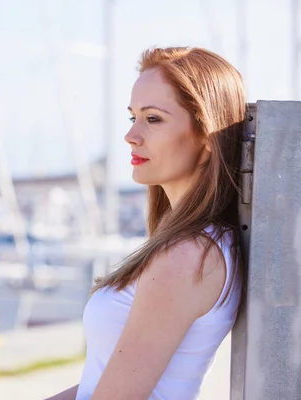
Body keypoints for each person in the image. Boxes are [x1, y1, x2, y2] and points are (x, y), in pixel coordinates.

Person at [46, 46, 246, 400]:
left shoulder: (187, 256)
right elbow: (102, 382)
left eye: (153, 119)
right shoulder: (195, 243)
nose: (131, 136)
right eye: (132, 117)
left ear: (207, 135)